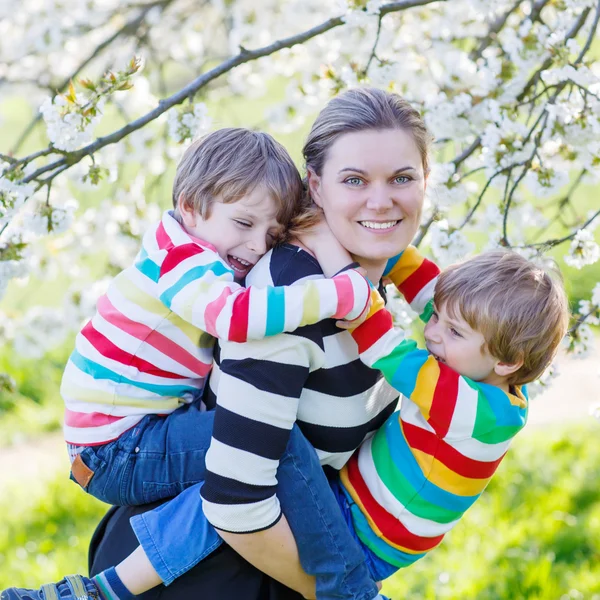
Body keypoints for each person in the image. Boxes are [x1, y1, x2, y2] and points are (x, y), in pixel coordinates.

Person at [1, 88, 432, 600]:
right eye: (355, 180)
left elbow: (423, 278)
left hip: (172, 490)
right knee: (277, 448)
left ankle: (98, 591)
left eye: (403, 178)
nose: (254, 248)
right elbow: (236, 488)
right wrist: (337, 293)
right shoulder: (220, 273)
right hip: (156, 497)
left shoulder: (341, 266)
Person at [61, 126, 372, 504]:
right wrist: (333, 295)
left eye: (272, 237)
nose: (258, 245)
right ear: (190, 206)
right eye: (243, 223)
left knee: (237, 462)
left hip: (127, 437)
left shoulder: (182, 244)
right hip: (116, 447)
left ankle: (137, 564)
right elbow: (235, 318)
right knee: (265, 442)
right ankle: (338, 556)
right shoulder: (183, 262)